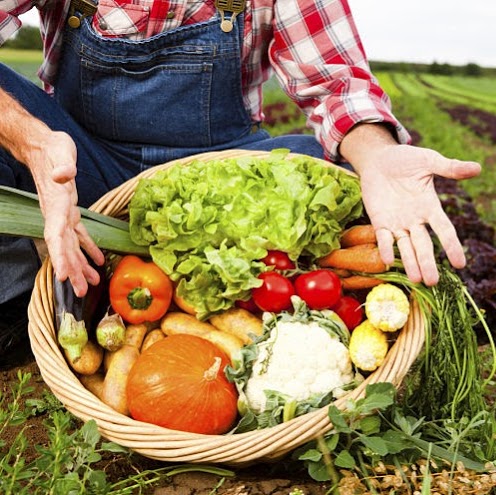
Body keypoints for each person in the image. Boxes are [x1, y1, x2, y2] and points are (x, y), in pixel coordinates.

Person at [0, 0, 480, 359]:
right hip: (83, 162)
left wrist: (377, 156)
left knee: (342, 177)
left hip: (218, 172)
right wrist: (34, 142)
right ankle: (19, 306)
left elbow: (337, 83)